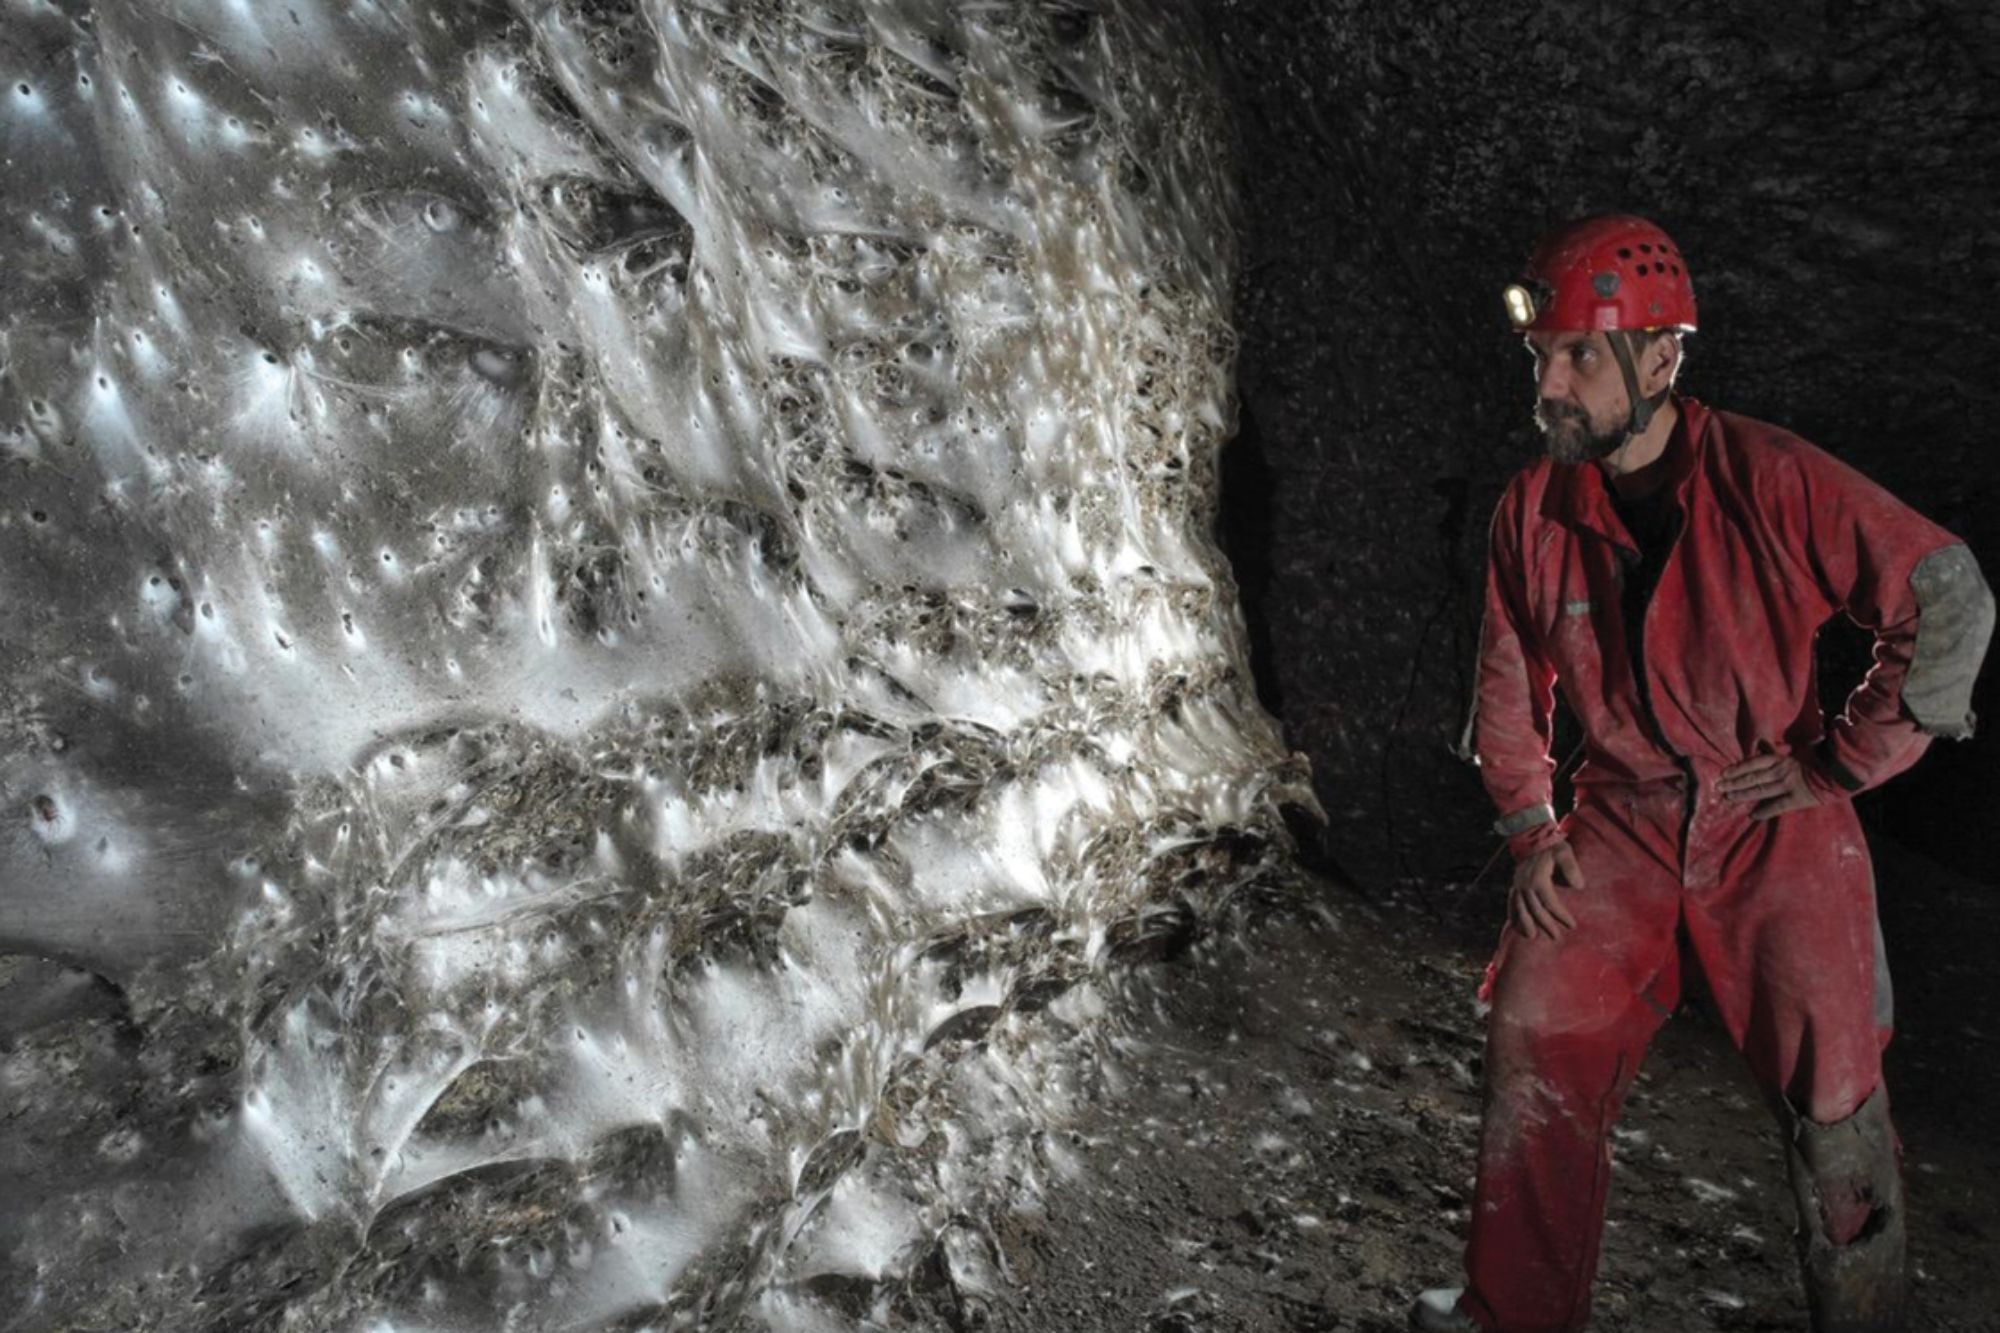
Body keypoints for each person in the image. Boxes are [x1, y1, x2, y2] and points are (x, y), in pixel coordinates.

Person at [1411, 215, 1996, 1333]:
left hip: (1768, 815)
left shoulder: (1767, 477)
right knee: (1537, 1026)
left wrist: (1843, 762)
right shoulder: (1532, 509)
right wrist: (1530, 830)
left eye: (1580, 355)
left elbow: (1943, 593)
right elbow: (1503, 680)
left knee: (1836, 1096)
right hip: (1618, 819)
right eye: (1543, 356)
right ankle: (1514, 1313)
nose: (1552, 383)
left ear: (1662, 358)